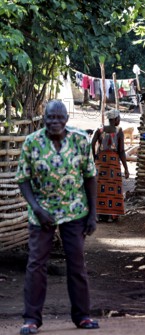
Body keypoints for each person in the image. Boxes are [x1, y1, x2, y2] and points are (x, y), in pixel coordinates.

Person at [15, 100, 100, 334]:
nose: (55, 122)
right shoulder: (32, 143)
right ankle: (31, 319)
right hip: (41, 213)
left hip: (75, 211)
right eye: (50, 118)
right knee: (36, 265)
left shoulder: (80, 139)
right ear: (44, 119)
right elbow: (23, 179)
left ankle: (82, 317)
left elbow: (90, 176)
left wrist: (93, 214)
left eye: (59, 118)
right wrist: (36, 208)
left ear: (66, 119)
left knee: (77, 264)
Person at [91, 109, 130, 222]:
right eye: (119, 118)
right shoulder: (119, 131)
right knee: (113, 187)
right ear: (115, 119)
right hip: (113, 163)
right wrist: (126, 168)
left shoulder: (99, 130)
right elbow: (121, 151)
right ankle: (110, 215)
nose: (120, 120)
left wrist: (94, 156)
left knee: (100, 187)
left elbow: (92, 143)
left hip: (101, 162)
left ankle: (98, 214)